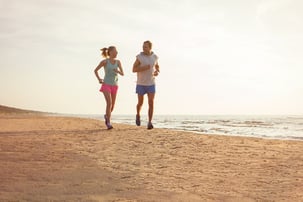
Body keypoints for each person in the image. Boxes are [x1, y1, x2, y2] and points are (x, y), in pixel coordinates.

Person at [94, 46, 124, 129]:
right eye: (115, 51)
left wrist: (117, 71)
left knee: (112, 106)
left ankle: (107, 116)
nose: (117, 53)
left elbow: (122, 73)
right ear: (110, 52)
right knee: (109, 103)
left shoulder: (118, 62)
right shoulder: (105, 62)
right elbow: (95, 70)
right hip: (106, 84)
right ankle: (108, 123)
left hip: (115, 85)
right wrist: (99, 79)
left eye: (117, 51)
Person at [132, 40, 160, 129]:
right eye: (143, 46)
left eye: (145, 47)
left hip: (151, 83)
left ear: (150, 48)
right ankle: (138, 115)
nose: (143, 48)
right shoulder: (139, 57)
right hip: (141, 83)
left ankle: (149, 122)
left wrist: (156, 72)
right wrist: (144, 68)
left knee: (151, 102)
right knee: (140, 103)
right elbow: (133, 69)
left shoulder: (155, 57)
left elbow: (157, 66)